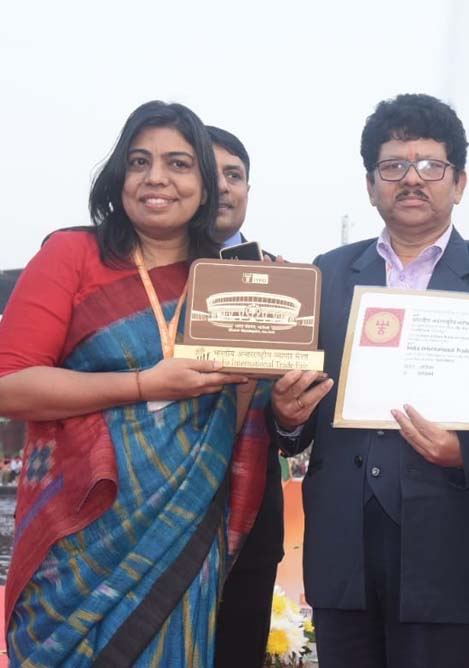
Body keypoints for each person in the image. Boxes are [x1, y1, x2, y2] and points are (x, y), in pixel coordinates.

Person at [267, 93, 469, 668]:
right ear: (370, 185)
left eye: (431, 165)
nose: (411, 178)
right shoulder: (326, 274)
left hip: (452, 543)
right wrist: (286, 416)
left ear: (459, 182)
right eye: (393, 166)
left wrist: (467, 453)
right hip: (343, 549)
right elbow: (294, 414)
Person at [0, 100, 272, 666]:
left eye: (178, 164)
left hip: (184, 530)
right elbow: (7, 387)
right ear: (119, 176)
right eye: (139, 162)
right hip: (79, 536)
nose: (156, 177)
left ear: (206, 185)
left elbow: (232, 424)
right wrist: (144, 384)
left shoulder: (234, 281)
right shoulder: (73, 255)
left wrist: (270, 393)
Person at [207, 125, 285, 668]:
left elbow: (301, 413)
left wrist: (290, 407)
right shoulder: (139, 276)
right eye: (208, 173)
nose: (222, 187)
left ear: (248, 190)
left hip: (250, 503)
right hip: (150, 500)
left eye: (234, 175)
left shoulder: (283, 280)